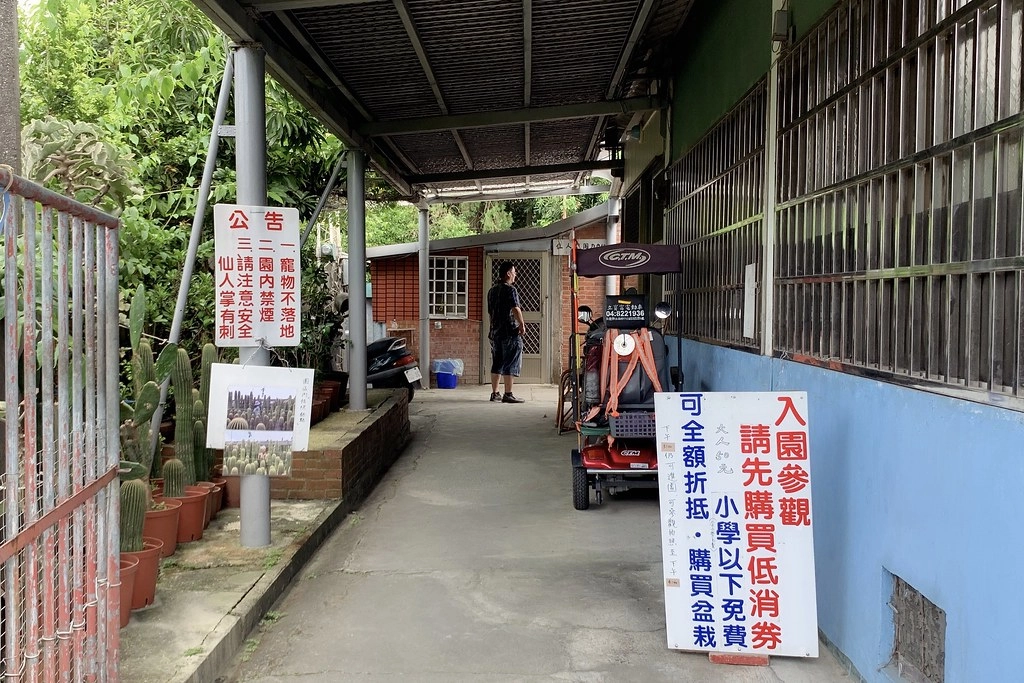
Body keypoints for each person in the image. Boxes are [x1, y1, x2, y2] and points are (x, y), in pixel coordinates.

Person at [487, 261, 526, 403]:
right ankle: (508, 394)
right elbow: (515, 308)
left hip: (495, 332)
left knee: (497, 362)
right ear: (508, 273)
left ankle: (495, 393)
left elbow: (491, 313)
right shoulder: (510, 290)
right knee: (511, 361)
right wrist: (521, 324)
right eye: (514, 272)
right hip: (510, 331)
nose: (516, 274)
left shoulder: (492, 291)